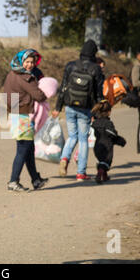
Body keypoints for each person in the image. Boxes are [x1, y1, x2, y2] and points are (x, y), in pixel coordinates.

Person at [52, 40, 105, 181]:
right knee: (83, 139)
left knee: (72, 136)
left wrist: (58, 107)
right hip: (85, 108)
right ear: (94, 53)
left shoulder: (71, 65)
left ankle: (64, 158)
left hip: (70, 106)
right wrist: (99, 110)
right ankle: (81, 172)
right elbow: (98, 92)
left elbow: (63, 88)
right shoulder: (96, 68)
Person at [3, 49, 49, 192]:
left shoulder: (11, 74)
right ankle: (13, 181)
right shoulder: (25, 77)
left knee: (28, 149)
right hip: (23, 116)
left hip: (16, 115)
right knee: (23, 149)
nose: (30, 65)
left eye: (32, 62)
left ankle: (35, 179)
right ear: (21, 61)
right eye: (27, 62)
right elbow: (39, 96)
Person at [91, 100, 126, 184]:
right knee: (106, 162)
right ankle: (99, 175)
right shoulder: (108, 123)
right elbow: (112, 134)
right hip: (107, 146)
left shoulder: (95, 122)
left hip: (97, 146)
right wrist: (121, 140)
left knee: (102, 161)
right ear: (109, 112)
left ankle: (105, 176)